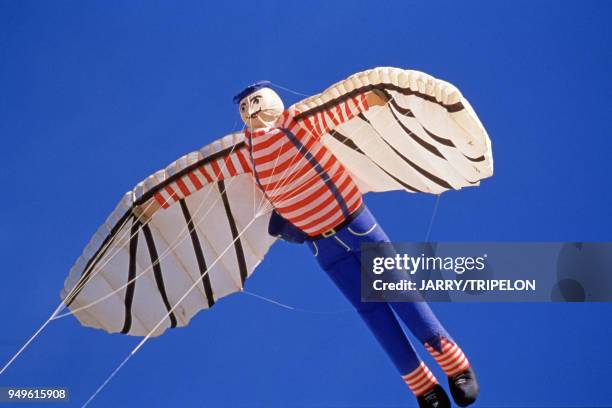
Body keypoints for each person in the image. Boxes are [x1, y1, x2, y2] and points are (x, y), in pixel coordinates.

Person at [138, 81, 479, 407]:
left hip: (356, 226)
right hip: (322, 246)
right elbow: (202, 173)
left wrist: (371, 98)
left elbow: (336, 108)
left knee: (399, 292)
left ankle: (455, 365)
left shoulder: (297, 122)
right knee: (371, 312)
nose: (251, 111)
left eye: (255, 102)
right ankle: (422, 388)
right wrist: (160, 200)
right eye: (245, 108)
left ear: (271, 102)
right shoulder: (244, 151)